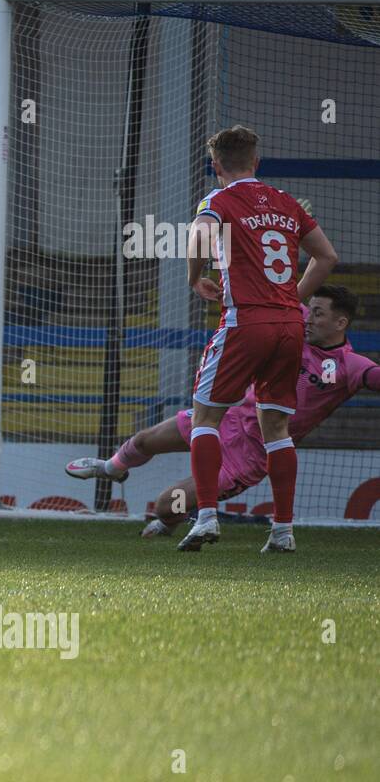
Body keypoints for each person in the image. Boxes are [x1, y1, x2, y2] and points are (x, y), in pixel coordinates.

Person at [67, 286, 376, 538]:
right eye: (310, 309)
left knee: (165, 505)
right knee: (146, 440)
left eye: (318, 314)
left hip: (249, 455)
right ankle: (110, 468)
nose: (308, 318)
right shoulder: (295, 320)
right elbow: (275, 287)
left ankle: (169, 523)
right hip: (227, 419)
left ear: (341, 323)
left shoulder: (351, 367)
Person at [176, 126, 338, 552]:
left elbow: (199, 236)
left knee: (204, 419)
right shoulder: (286, 203)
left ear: (216, 167)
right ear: (256, 162)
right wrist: (290, 300)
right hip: (288, 326)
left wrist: (196, 278)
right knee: (277, 427)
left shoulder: (219, 200)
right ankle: (283, 531)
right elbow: (327, 257)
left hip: (245, 322)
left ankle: (207, 517)